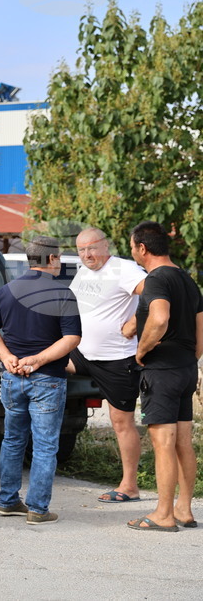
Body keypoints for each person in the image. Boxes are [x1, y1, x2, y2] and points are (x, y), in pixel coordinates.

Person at [0, 235, 81, 525]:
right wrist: (38, 360)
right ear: (51, 259)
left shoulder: (8, 290)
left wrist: (6, 356)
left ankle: (8, 502)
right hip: (47, 379)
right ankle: (37, 508)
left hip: (13, 377)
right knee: (45, 445)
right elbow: (72, 338)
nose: (59, 262)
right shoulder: (62, 293)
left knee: (12, 440)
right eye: (58, 257)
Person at [126, 221, 202, 532]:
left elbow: (159, 318)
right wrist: (190, 360)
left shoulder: (156, 278)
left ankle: (163, 514)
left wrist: (143, 350)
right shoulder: (187, 279)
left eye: (132, 247)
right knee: (184, 441)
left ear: (142, 248)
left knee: (163, 442)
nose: (132, 252)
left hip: (162, 369)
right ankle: (184, 509)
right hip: (186, 367)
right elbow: (201, 330)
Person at [67, 227, 145, 503]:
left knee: (121, 421)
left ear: (105, 245)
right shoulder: (84, 270)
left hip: (116, 359)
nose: (87, 254)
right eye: (81, 250)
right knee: (44, 365)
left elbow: (154, 294)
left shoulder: (124, 269)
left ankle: (130, 486)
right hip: (82, 353)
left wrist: (135, 324)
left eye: (92, 248)